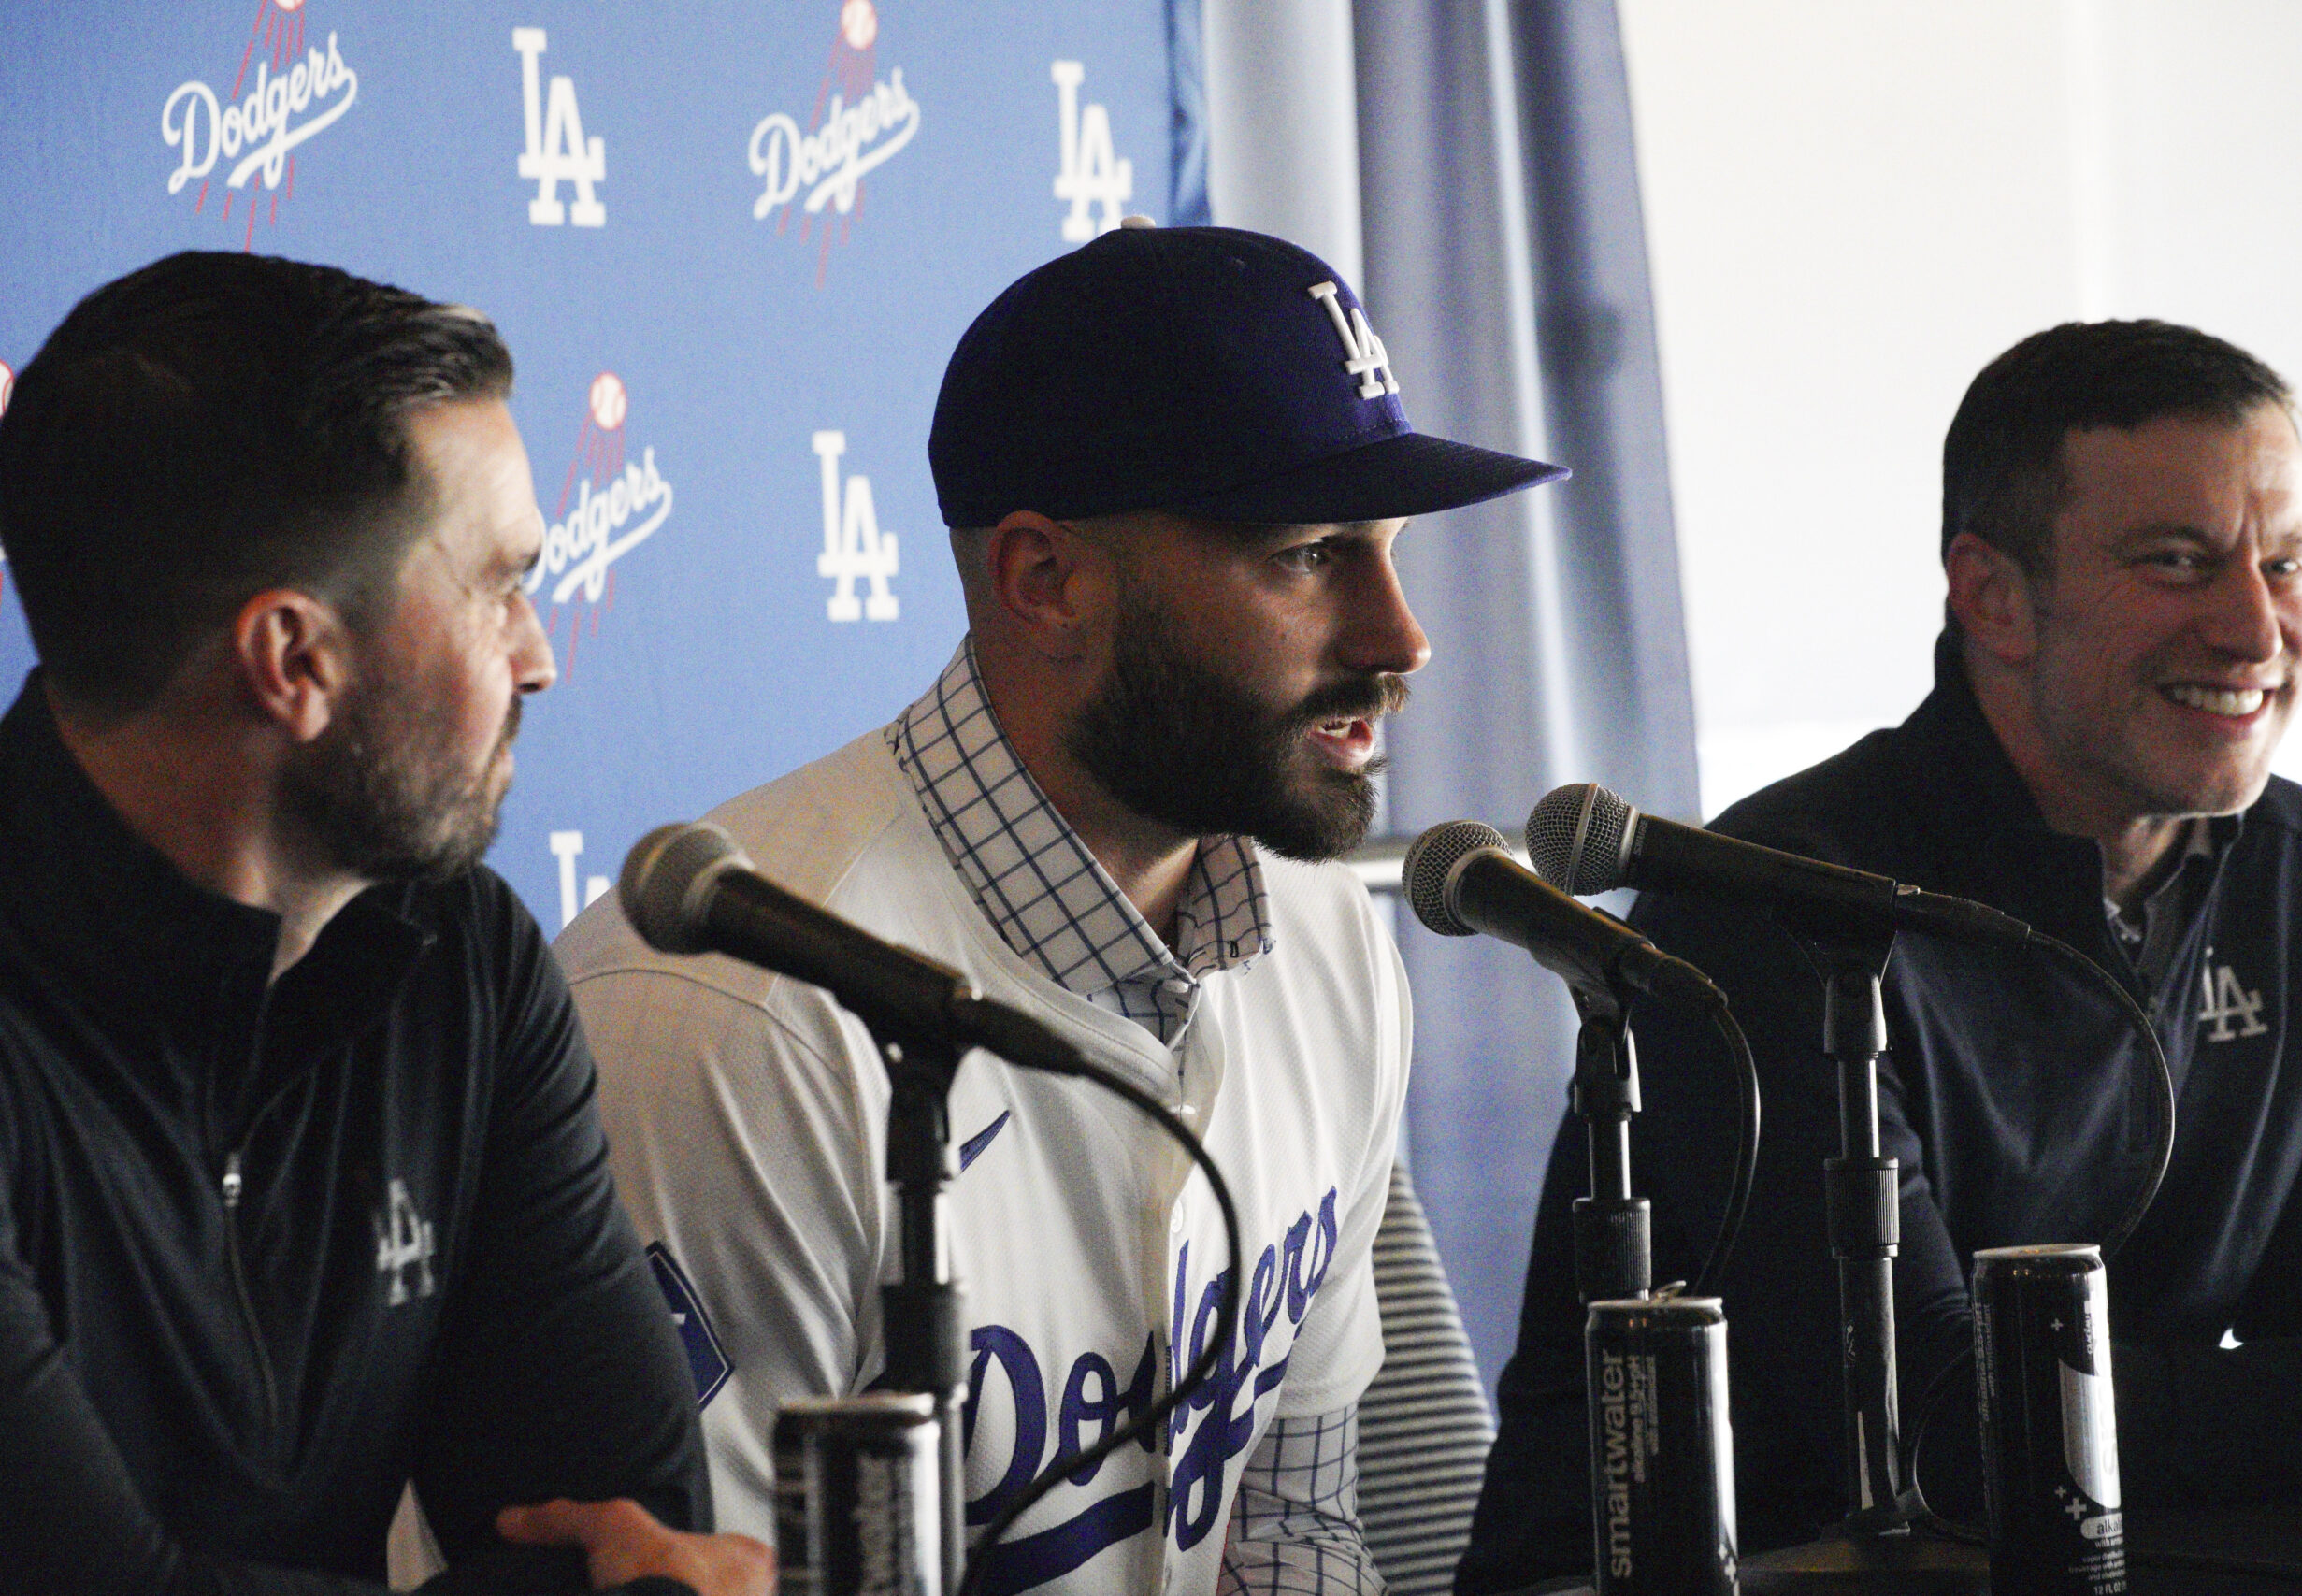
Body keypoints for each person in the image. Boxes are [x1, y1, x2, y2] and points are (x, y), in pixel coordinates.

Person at [560, 221, 1565, 1595]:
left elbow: (1295, 1528)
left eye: (1386, 550)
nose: (1401, 638)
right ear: (1046, 581)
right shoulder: (723, 1027)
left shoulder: (1328, 939)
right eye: (1310, 555)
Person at [1459, 319, 2302, 1590]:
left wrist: (2117, 1416)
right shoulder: (1781, 904)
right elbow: (1942, 1434)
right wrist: (2258, 1406)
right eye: (2177, 564)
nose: (2253, 628)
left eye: (2284, 563)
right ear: (1993, 597)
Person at [0, 252, 770, 1595]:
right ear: (294, 661)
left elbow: (632, 1536)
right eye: (498, 588)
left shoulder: (457, 958)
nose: (540, 655)